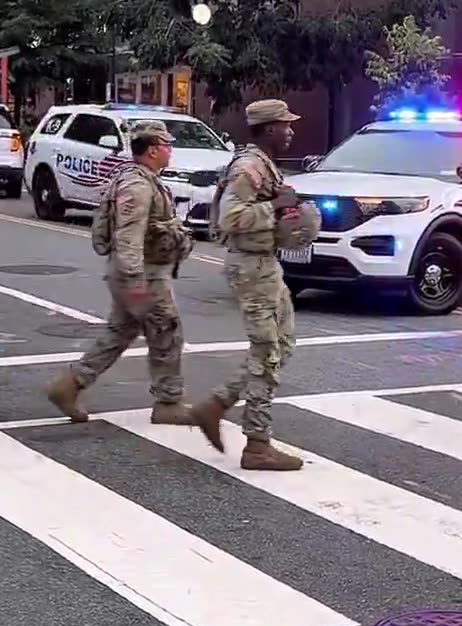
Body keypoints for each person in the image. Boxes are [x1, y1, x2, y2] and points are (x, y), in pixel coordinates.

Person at [46, 120, 223, 451]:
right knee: (167, 333)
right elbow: (129, 235)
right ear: (153, 149)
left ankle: (68, 386)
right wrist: (135, 282)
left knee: (119, 333)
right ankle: (168, 403)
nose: (170, 151)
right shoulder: (137, 185)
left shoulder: (142, 179)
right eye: (167, 145)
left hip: (139, 272)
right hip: (143, 274)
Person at [191, 99, 307, 471]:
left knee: (282, 344)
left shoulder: (263, 164)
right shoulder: (249, 167)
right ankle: (257, 444)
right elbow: (230, 218)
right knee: (267, 351)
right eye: (286, 125)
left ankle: (217, 404)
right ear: (269, 128)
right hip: (251, 267)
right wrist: (275, 207)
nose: (290, 131)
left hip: (265, 264)